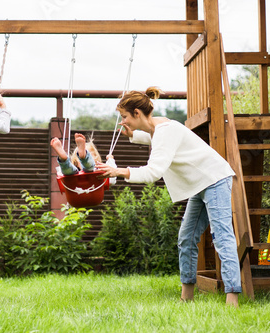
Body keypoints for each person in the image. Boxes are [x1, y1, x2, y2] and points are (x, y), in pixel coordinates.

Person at [96, 86, 241, 307]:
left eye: (124, 117)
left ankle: (232, 298)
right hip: (199, 185)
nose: (122, 121)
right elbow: (153, 137)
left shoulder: (164, 131)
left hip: (214, 179)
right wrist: (133, 135)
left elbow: (153, 172)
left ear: (137, 113)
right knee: (186, 238)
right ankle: (187, 299)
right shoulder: (157, 126)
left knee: (222, 237)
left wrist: (120, 171)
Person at [51, 133, 116, 185]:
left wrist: (110, 160)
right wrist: (111, 161)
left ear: (96, 160)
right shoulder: (100, 175)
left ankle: (64, 160)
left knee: (68, 171)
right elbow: (112, 179)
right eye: (80, 160)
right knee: (85, 169)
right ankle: (68, 159)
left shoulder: (99, 172)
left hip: (73, 190)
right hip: (95, 195)